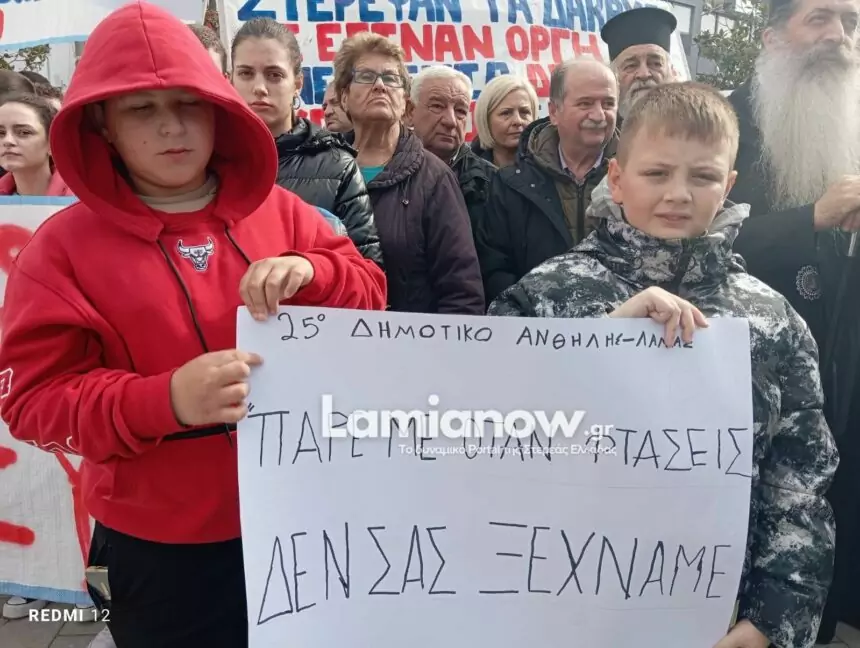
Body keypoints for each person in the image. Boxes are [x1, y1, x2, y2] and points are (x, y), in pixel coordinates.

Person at [0, 4, 386, 648]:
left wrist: (314, 272)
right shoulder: (58, 251)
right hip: (161, 552)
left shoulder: (284, 211)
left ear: (216, 110)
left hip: (304, 515)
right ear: (102, 124)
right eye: (140, 109)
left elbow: (371, 295)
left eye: (188, 104)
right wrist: (165, 400)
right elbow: (31, 402)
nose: (171, 126)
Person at [489, 81, 838, 648]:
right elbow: (487, 436)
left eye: (702, 176)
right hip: (560, 606)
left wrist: (772, 620)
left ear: (727, 186)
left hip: (717, 618)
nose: (679, 193)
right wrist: (599, 347)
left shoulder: (772, 320)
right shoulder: (544, 297)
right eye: (656, 173)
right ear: (617, 179)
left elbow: (800, 480)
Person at [726, 0, 860, 637]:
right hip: (754, 379)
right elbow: (689, 236)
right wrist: (810, 218)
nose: (839, 36)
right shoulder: (725, 120)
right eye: (820, 18)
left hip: (844, 369)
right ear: (773, 37)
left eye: (851, 23)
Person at [332, 31, 484, 314]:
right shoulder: (321, 167)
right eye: (366, 76)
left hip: (409, 340)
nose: (380, 86)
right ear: (343, 97)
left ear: (405, 102)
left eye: (391, 78)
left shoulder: (434, 178)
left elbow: (461, 292)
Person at [231, 18, 382, 267]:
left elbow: (366, 274)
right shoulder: (207, 160)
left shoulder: (337, 167)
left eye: (274, 75)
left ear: (297, 84)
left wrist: (312, 270)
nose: (259, 88)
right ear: (230, 79)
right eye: (246, 74)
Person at [475, 58, 617, 305]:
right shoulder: (510, 185)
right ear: (554, 112)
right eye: (585, 103)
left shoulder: (643, 176)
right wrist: (537, 310)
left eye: (608, 103)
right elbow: (493, 269)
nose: (598, 115)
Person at [408, 65, 495, 233]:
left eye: (460, 111)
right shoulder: (384, 173)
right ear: (410, 112)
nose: (451, 121)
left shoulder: (492, 182)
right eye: (437, 106)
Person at [600, 6, 678, 122]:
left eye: (655, 63)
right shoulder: (600, 130)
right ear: (613, 77)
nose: (644, 74)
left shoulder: (695, 128)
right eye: (631, 66)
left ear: (672, 72)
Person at [0, 93, 69, 196]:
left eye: (24, 132)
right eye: (1, 133)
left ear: (51, 143)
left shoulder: (83, 198)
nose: (7, 141)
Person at [471, 74, 538, 168]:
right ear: (485, 119)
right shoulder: (467, 173)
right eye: (506, 113)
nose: (518, 121)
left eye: (524, 112)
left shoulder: (551, 169)